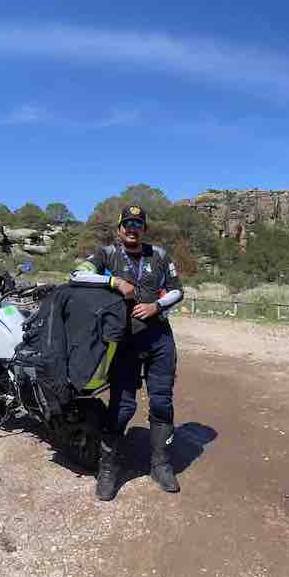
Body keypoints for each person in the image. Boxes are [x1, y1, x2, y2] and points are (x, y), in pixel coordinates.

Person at [75, 205, 185, 500]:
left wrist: (156, 306)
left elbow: (177, 290)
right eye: (128, 224)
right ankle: (108, 468)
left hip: (159, 339)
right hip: (123, 341)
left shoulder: (159, 256)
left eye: (138, 224)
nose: (132, 229)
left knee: (162, 401)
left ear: (144, 228)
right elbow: (77, 276)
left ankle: (160, 463)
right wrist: (114, 281)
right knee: (122, 406)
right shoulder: (106, 254)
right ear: (119, 228)